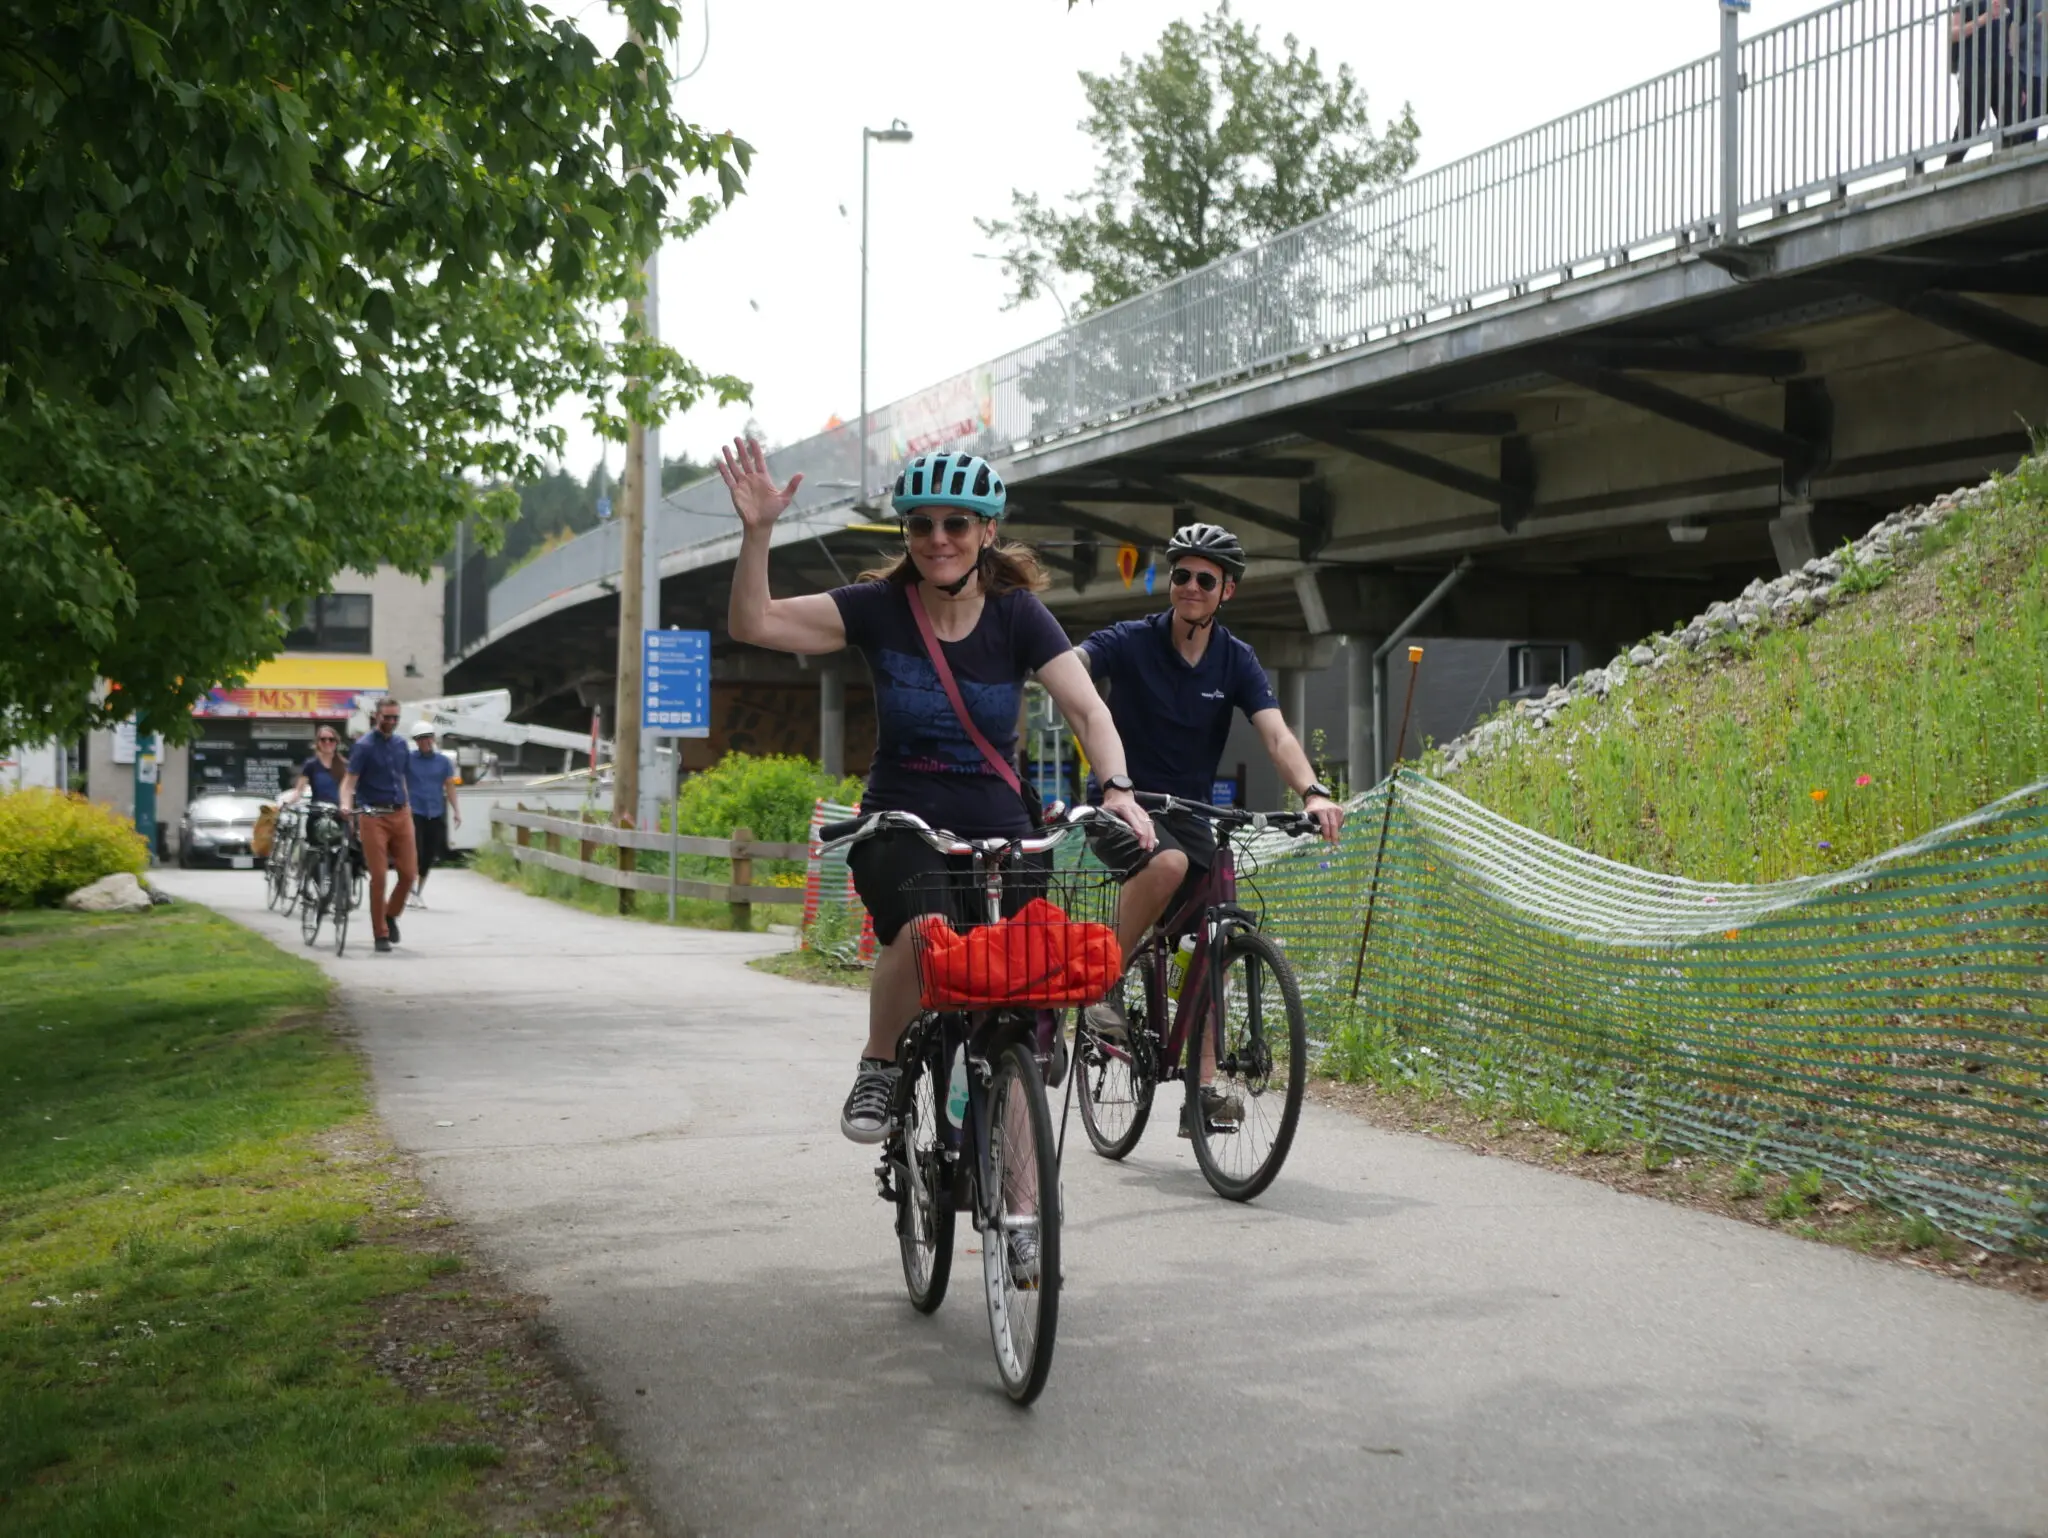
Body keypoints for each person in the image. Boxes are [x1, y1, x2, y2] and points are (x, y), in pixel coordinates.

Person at [719, 435, 1156, 1154]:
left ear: (987, 532)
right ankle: (881, 1064)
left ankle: (1020, 1194)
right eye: (921, 524)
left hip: (1002, 827)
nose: (938, 539)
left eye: (956, 524)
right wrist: (758, 531)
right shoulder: (878, 608)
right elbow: (753, 623)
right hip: (904, 825)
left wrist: (1118, 792)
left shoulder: (1017, 615)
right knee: (922, 936)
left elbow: (1087, 710)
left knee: (1022, 966)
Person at [1075, 522, 1345, 1134]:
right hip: (1123, 807)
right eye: (1180, 575)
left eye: (1205, 579)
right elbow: (1074, 666)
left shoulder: (1236, 659)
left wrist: (1313, 790)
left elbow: (1274, 733)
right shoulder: (1132, 641)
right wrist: (1047, 661)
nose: (1189, 587)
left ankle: (1201, 1091)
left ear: (1227, 591)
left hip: (1192, 813)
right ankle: (1101, 985)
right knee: (1166, 865)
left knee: (1217, 939)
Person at [339, 696, 416, 954]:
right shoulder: (363, 746)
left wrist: (408, 807)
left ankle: (391, 914)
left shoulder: (401, 745)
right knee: (379, 876)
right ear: (376, 716)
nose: (391, 722)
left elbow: (402, 779)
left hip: (400, 812)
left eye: (396, 717)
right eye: (387, 717)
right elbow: (349, 782)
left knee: (408, 873)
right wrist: (345, 805)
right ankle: (380, 933)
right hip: (373, 816)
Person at [405, 723, 461, 908]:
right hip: (415, 811)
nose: (426, 741)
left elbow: (449, 786)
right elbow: (400, 781)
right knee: (415, 851)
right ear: (416, 742)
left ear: (433, 738)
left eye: (428, 737)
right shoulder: (409, 759)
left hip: (435, 812)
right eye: (421, 738)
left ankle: (418, 892)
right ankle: (411, 889)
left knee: (429, 855)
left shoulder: (443, 762)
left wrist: (456, 811)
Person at [1948, 0, 2010, 165]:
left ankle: (2007, 159)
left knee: (2012, 116)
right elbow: (1953, 33)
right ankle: (1950, 168)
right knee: (1971, 123)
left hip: (2000, 67)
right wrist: (1983, 19)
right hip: (1973, 67)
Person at [286, 724, 347, 806]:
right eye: (323, 739)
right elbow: (299, 790)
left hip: (339, 812)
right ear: (317, 743)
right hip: (317, 810)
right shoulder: (311, 764)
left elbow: (349, 790)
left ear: (336, 742)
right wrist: (286, 804)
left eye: (331, 739)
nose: (327, 742)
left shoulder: (344, 764)